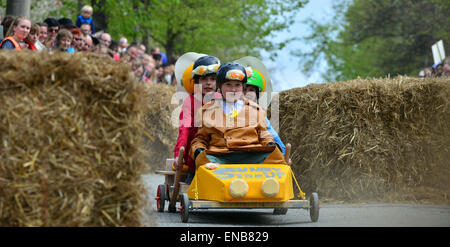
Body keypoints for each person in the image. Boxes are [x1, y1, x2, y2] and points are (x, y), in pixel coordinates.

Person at [190, 62, 287, 170]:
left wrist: (269, 143)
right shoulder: (206, 110)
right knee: (205, 164)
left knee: (277, 162)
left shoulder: (255, 109)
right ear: (219, 87)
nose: (233, 89)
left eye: (237, 85)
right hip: (220, 156)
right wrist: (199, 149)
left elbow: (264, 134)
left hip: (251, 155)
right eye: (228, 85)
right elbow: (201, 139)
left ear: (242, 87)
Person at [174, 55, 221, 184]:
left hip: (220, 154)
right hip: (195, 158)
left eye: (212, 79)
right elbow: (184, 129)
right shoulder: (191, 101)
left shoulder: (223, 99)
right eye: (203, 79)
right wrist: (179, 153)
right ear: (196, 82)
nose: (208, 83)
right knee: (192, 186)